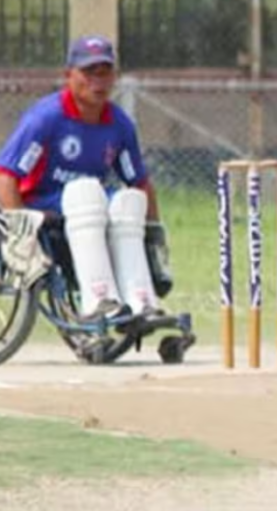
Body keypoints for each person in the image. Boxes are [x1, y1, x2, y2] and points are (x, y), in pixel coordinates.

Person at [0, 35, 172, 320]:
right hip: (41, 206)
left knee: (129, 200)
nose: (98, 81)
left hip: (88, 207)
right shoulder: (46, 118)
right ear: (69, 75)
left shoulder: (119, 124)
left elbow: (140, 183)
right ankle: (98, 301)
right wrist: (19, 229)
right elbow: (6, 176)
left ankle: (142, 303)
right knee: (86, 193)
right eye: (89, 72)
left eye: (105, 73)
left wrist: (154, 236)